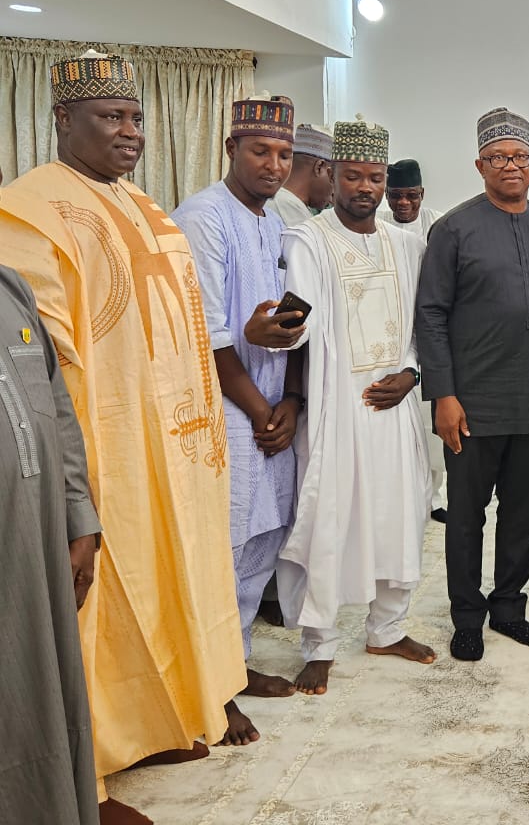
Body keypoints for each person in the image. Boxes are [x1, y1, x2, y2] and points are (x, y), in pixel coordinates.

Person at [0, 51, 246, 825]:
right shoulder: (30, 209)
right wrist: (76, 484)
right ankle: (91, 763)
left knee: (176, 582)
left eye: (136, 118)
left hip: (173, 443)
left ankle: (165, 720)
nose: (130, 132)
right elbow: (41, 358)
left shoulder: (146, 205)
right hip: (102, 450)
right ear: (62, 119)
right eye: (111, 118)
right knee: (98, 600)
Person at [267, 117, 436, 694]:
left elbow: (423, 326)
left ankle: (387, 629)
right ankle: (319, 643)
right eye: (355, 176)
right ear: (331, 176)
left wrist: (412, 374)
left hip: (394, 408)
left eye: (375, 178)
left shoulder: (409, 246)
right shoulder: (307, 240)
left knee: (403, 511)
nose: (366, 187)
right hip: (338, 406)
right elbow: (299, 319)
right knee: (330, 518)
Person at [171, 95, 309, 718]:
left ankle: (237, 661)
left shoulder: (278, 220)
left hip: (272, 406)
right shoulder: (203, 216)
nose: (274, 165)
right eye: (260, 151)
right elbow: (205, 331)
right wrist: (259, 410)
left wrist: (292, 402)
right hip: (223, 408)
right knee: (223, 546)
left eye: (283, 154)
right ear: (231, 149)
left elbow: (290, 311)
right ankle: (209, 684)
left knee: (263, 539)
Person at [416, 108, 529, 661]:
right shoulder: (453, 228)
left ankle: (508, 607)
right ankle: (466, 615)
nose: (511, 166)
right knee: (466, 514)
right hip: (472, 401)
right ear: (480, 164)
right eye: (499, 157)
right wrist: (444, 395)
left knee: (522, 513)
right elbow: (430, 314)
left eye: (519, 158)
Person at [0, 265, 101, 824]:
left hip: (37, 538)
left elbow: (57, 410)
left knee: (46, 692)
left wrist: (78, 516)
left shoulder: (10, 288)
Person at [380, 157, 447, 523]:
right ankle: (401, 499)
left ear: (422, 193)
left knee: (432, 428)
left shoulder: (439, 224)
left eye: (411, 196)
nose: (403, 204)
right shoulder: (375, 226)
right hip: (395, 336)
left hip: (433, 336)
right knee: (401, 428)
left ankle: (434, 498)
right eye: (395, 196)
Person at [268, 123, 333, 227]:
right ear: (319, 167)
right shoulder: (287, 209)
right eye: (332, 177)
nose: (332, 195)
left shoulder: (280, 201)